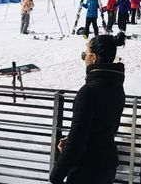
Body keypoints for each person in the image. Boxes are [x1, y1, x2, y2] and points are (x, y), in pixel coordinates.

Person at [49, 33, 126, 184]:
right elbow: (98, 129)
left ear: (94, 58)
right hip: (107, 166)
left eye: (85, 53)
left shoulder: (89, 92)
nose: (84, 57)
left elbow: (78, 141)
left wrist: (56, 176)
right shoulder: (116, 87)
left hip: (88, 170)